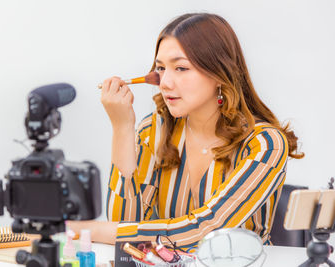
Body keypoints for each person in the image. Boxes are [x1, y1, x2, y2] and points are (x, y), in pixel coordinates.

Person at [67, 12, 304, 251]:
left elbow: (207, 230)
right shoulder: (154, 131)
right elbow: (125, 227)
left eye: (181, 68)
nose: (166, 82)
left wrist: (91, 230)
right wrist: (122, 128)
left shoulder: (265, 144)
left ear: (219, 73)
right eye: (160, 68)